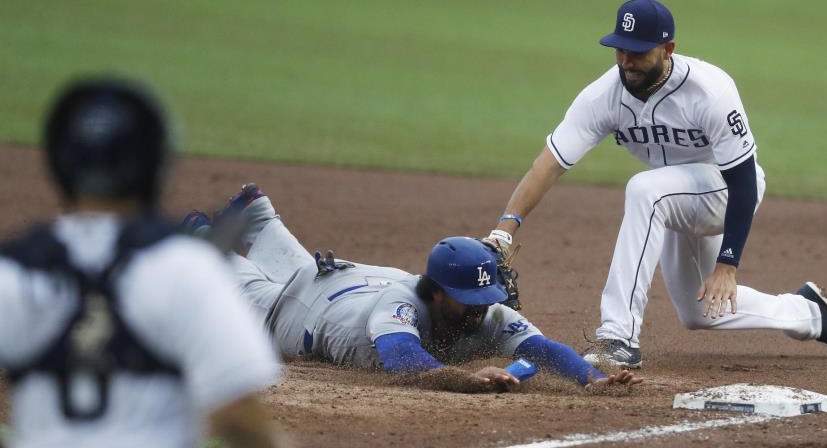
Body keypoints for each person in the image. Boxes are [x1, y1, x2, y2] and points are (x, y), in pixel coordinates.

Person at [483, 0, 827, 369]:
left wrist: (727, 265)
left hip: (725, 192)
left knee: (644, 190)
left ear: (668, 48)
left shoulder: (710, 91)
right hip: (675, 197)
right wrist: (504, 230)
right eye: (620, 50)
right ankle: (807, 314)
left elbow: (744, 180)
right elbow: (547, 165)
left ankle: (618, 337)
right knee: (699, 312)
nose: (627, 61)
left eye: (638, 52)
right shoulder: (604, 95)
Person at [0, 78, 282, 448]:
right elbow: (240, 419)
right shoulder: (184, 267)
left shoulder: (14, 271)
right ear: (156, 165)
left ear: (61, 163)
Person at [181, 184, 642, 394]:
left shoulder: (484, 308)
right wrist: (468, 381)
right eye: (471, 300)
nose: (483, 310)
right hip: (291, 309)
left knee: (298, 266)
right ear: (436, 292)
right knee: (224, 278)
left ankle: (252, 214)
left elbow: (543, 348)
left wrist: (592, 379)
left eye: (487, 298)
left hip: (345, 278)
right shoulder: (399, 308)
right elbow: (405, 362)